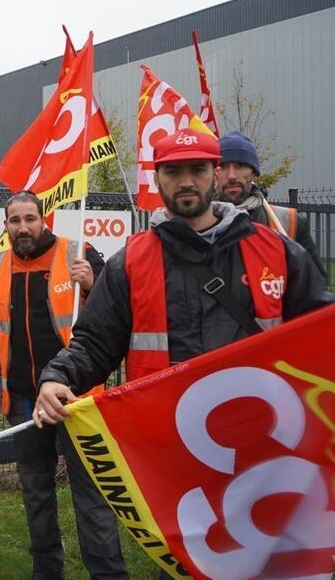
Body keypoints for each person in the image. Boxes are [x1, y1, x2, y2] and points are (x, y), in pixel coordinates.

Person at [35, 128, 333, 423]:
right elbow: (95, 343)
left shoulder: (276, 250)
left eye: (198, 170)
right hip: (167, 437)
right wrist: (57, 377)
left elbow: (321, 329)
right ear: (157, 180)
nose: (186, 182)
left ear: (215, 175)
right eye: (173, 171)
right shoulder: (129, 263)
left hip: (264, 427)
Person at [0, 192, 128, 580]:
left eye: (30, 218)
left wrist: (93, 282)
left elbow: (111, 318)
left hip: (76, 398)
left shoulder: (78, 253)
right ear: (6, 226)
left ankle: (108, 573)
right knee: (35, 493)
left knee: (92, 495)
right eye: (15, 221)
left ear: (44, 218)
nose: (23, 227)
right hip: (24, 401)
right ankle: (47, 571)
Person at [215, 130, 327, 278]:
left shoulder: (288, 222)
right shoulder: (199, 224)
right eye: (223, 166)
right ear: (213, 173)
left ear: (254, 172)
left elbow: (316, 289)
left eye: (240, 166)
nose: (231, 176)